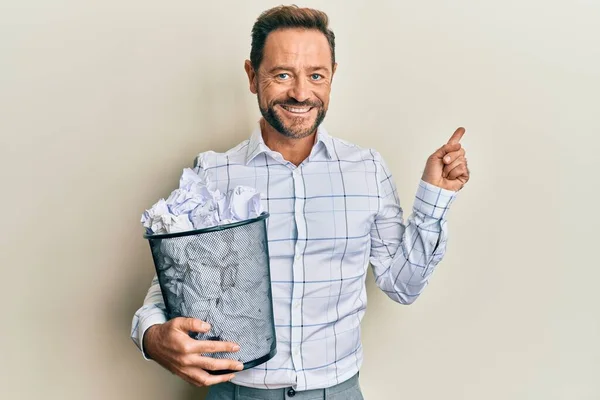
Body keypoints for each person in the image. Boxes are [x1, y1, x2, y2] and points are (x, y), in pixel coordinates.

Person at [131, 5, 470, 399]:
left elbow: (402, 286)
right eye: (282, 74)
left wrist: (435, 196)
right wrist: (153, 337)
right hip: (238, 393)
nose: (300, 93)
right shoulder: (213, 174)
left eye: (315, 76)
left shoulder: (367, 170)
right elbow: (173, 287)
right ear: (252, 76)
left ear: (332, 77)